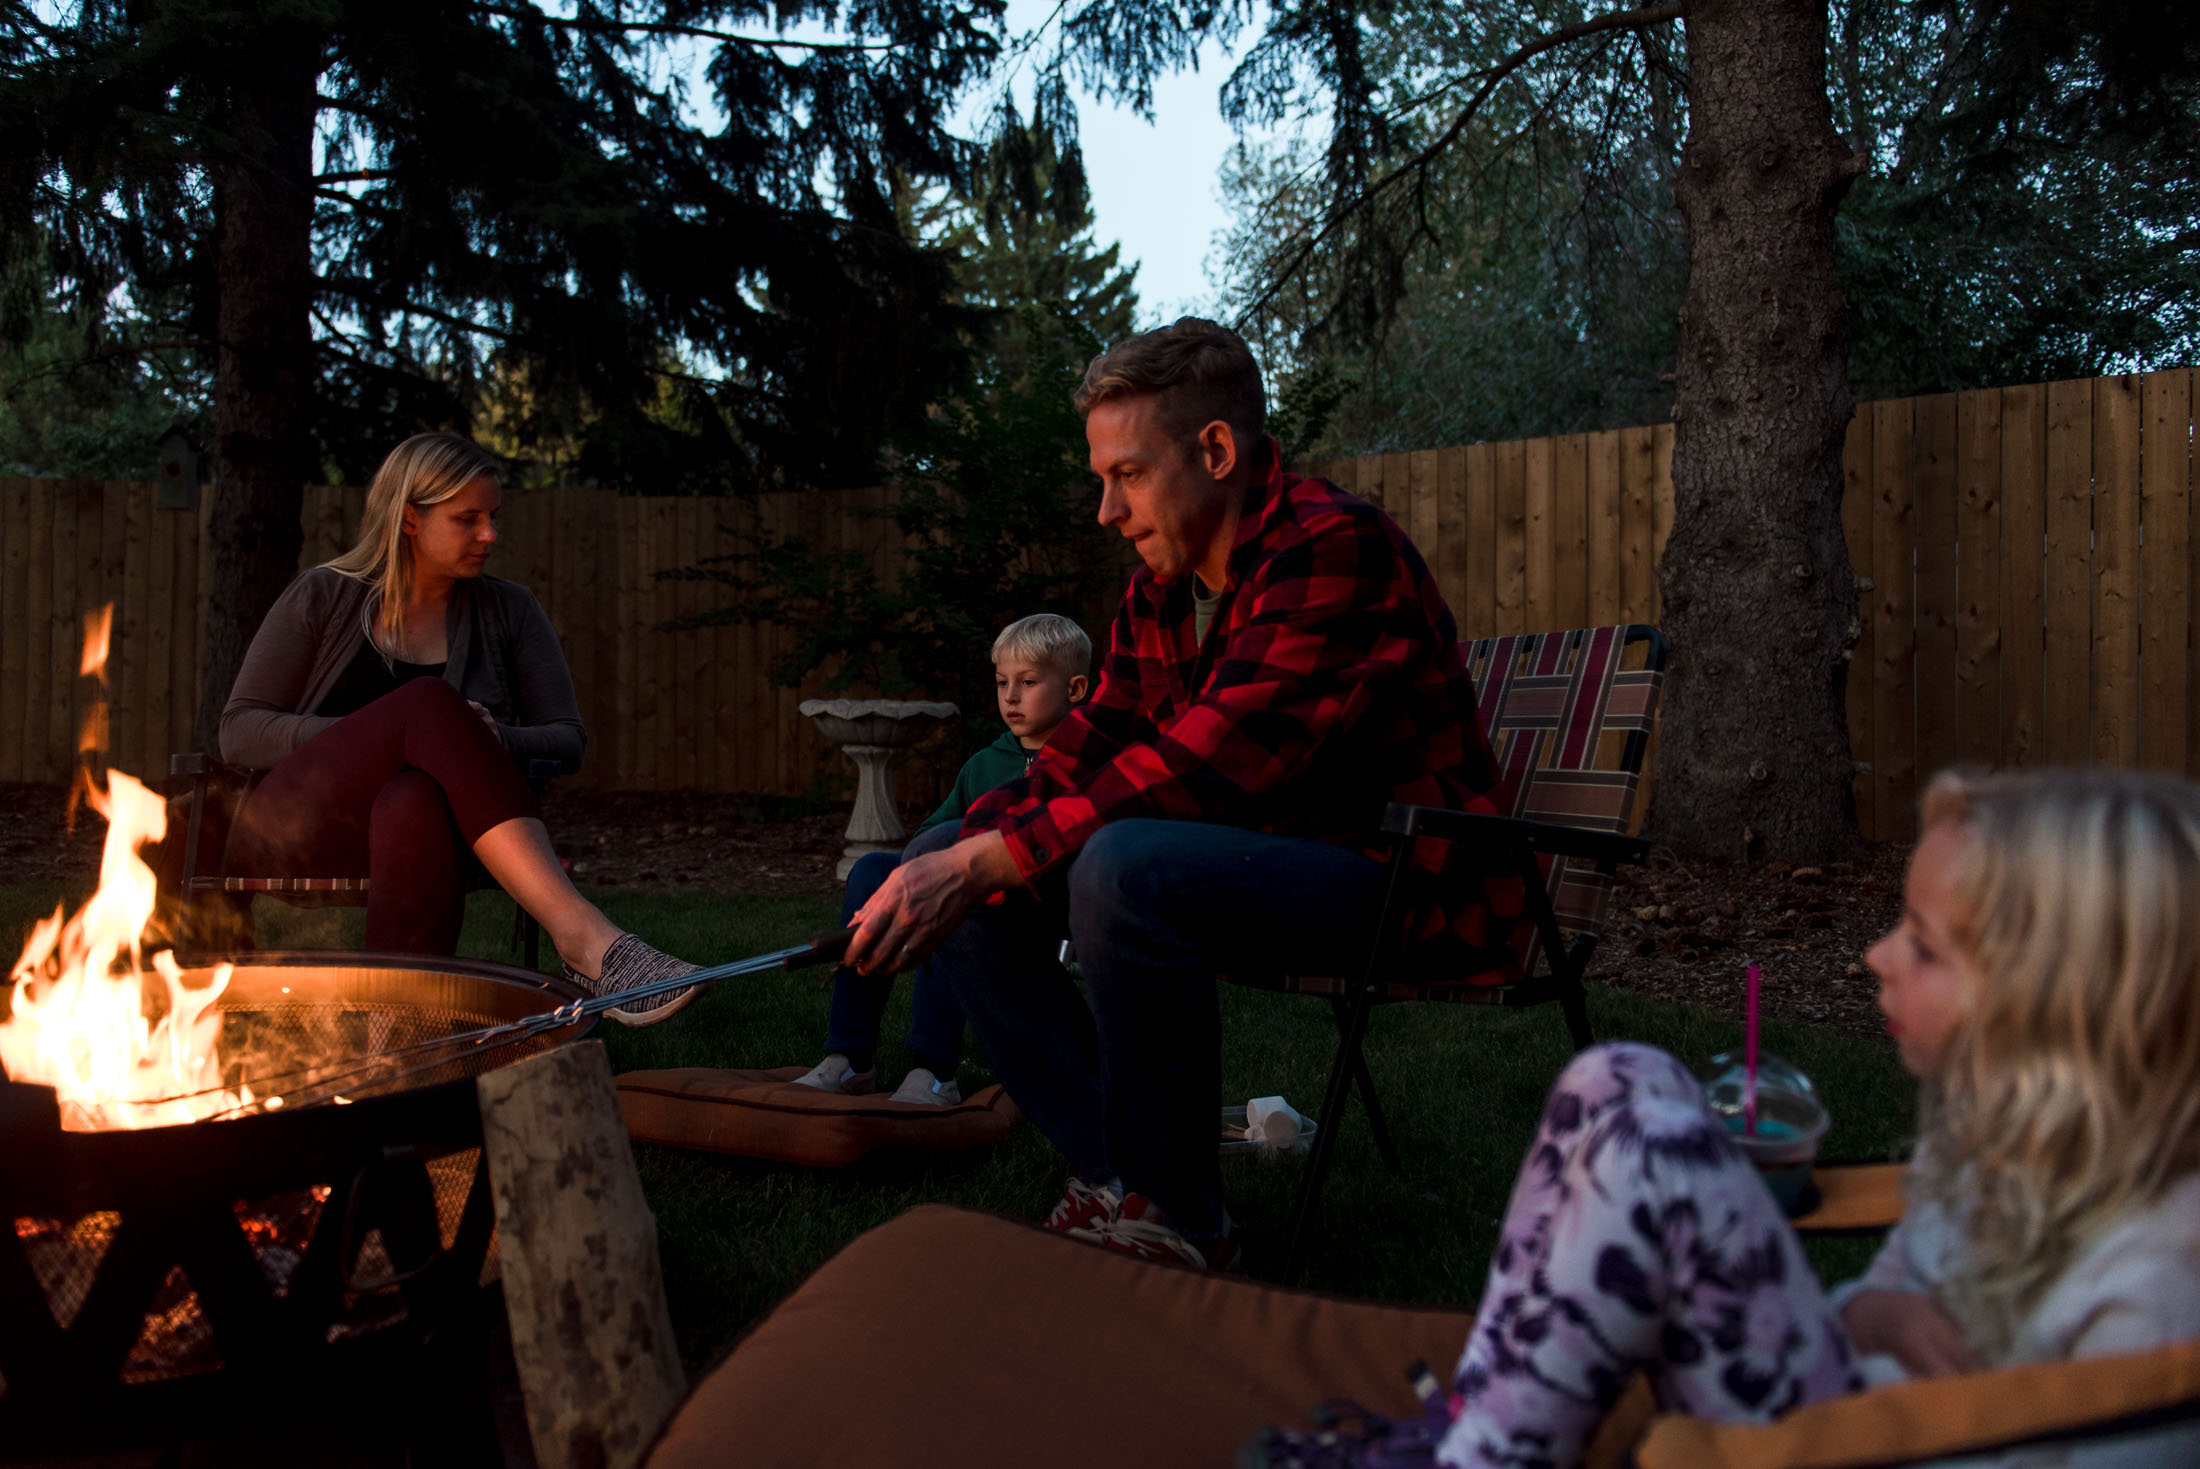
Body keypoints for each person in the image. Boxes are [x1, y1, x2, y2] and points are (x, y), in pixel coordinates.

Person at [1249, 767, 2200, 1468]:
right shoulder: (1995, 1148)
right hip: (1834, 1410)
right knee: (1620, 1072)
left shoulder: (2164, 1276)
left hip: (1846, 1451)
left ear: (2066, 1006)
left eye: (1926, 945)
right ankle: (1476, 1428)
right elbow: (1864, 1316)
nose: (1877, 955)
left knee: (1661, 1159)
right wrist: (1875, 1309)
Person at [840, 318, 1520, 1269]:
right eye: (1100, 481)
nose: (1105, 511)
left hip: (1405, 878)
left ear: (1216, 450)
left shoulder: (1332, 547)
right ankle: (1116, 1170)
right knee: (945, 861)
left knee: (1119, 865)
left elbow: (1204, 768)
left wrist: (986, 856)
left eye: (1127, 475)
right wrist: (948, 861)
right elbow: (1084, 754)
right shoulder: (1159, 595)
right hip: (1256, 861)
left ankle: (1178, 1214)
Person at [218, 431, 701, 1023]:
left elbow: (567, 738)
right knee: (424, 704)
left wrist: (492, 739)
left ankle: (395, 1033)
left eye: (492, 517)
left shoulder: (511, 610)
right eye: (467, 519)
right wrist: (378, 732)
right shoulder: (322, 595)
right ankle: (587, 942)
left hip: (441, 836)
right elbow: (238, 729)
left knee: (415, 791)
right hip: (295, 827)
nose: (490, 535)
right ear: (410, 519)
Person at [795, 613, 1092, 1106]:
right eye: (1002, 683)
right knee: (872, 871)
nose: (1011, 697)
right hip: (970, 884)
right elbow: (933, 834)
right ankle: (849, 1058)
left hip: (1037, 900)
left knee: (957, 894)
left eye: (1029, 682)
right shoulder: (984, 765)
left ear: (1076, 688)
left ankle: (933, 1071)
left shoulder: (1085, 761)